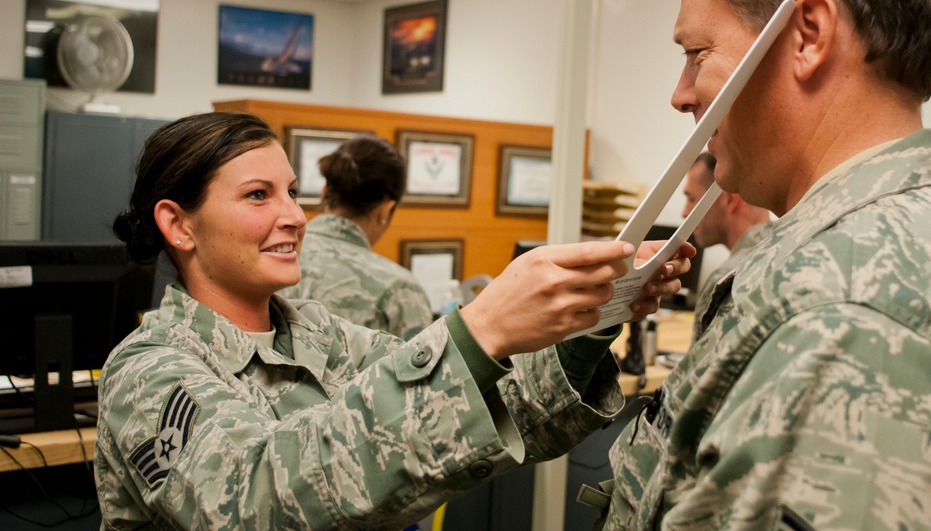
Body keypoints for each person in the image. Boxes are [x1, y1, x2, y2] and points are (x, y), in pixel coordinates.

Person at [584, 0, 931, 529]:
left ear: (806, 35)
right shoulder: (907, 233)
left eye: (697, 53)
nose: (681, 93)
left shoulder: (852, 315)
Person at [96, 111, 693, 530]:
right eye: (259, 196)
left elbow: (503, 410)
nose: (294, 216)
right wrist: (478, 327)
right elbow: (258, 505)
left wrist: (595, 314)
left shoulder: (321, 337)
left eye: (293, 191)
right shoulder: (149, 370)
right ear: (179, 224)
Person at [281, 134, 433, 340]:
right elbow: (426, 368)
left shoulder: (277, 258)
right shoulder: (399, 290)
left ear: (324, 191)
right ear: (386, 210)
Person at [681, 151, 772, 343]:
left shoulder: (726, 282)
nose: (684, 213)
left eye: (691, 199)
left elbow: (699, 372)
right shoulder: (792, 253)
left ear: (729, 200)